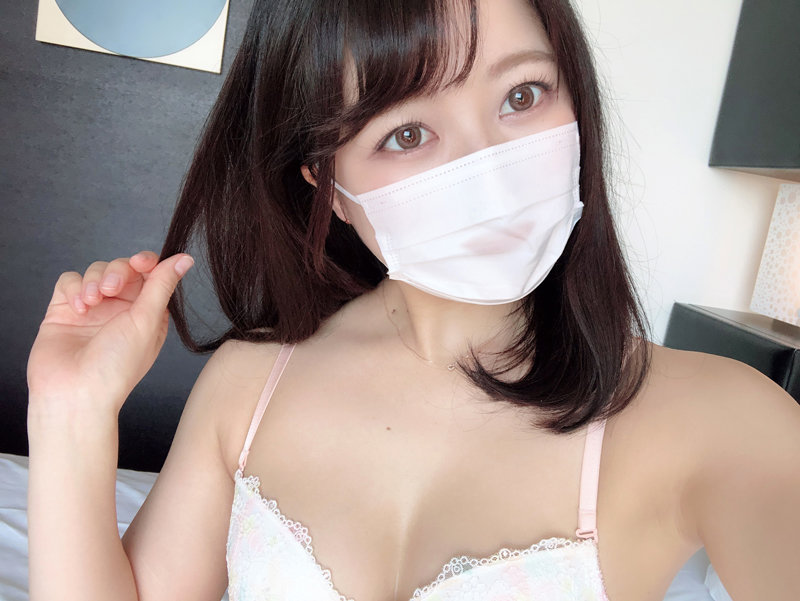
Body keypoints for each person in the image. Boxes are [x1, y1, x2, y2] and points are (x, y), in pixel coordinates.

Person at [25, 0, 800, 600]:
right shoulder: (248, 382)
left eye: (523, 93)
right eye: (405, 134)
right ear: (329, 187)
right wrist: (68, 412)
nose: (490, 170)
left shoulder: (722, 420)